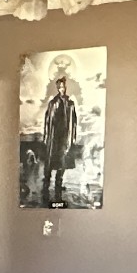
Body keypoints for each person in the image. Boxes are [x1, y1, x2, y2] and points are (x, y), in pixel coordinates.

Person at [39, 62, 78, 208]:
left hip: (64, 138)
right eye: (59, 87)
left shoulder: (70, 103)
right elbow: (48, 121)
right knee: (49, 165)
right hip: (53, 138)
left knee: (61, 165)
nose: (62, 89)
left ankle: (58, 191)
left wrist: (72, 138)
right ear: (57, 88)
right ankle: (45, 189)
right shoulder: (53, 103)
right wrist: (46, 137)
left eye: (63, 87)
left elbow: (73, 122)